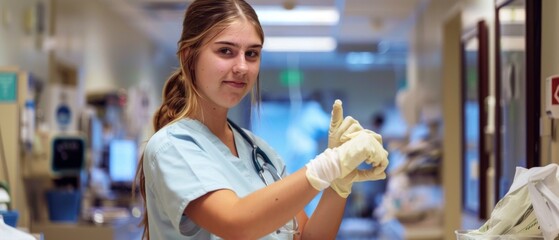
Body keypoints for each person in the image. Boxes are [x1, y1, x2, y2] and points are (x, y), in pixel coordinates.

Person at [133, 0, 389, 239]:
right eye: (226, 51)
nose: (242, 67)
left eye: (252, 54)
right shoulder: (171, 146)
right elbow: (235, 222)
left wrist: (339, 183)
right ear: (189, 56)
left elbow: (307, 236)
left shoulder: (260, 152)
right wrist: (328, 165)